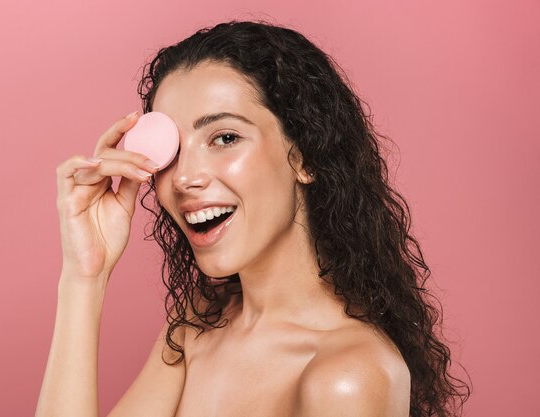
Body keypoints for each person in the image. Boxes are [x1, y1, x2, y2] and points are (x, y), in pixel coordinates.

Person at [36, 20, 471, 417]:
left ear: (302, 156)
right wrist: (84, 276)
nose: (185, 178)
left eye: (225, 137)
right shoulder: (200, 322)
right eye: (172, 152)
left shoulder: (347, 378)